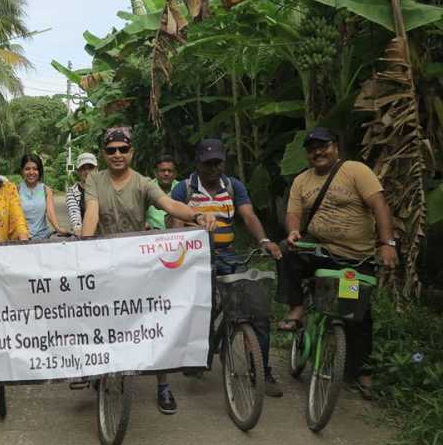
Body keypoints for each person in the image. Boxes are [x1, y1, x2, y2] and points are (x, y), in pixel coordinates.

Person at [81, 126, 217, 415]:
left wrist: (197, 216)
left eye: (123, 149)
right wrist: (83, 247)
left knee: (154, 322)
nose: (117, 154)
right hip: (103, 260)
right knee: (98, 317)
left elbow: (170, 204)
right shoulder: (94, 179)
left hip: (137, 263)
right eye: (111, 150)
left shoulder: (143, 183)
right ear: (104, 154)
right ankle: (96, 368)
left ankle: (163, 385)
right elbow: (91, 213)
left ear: (132, 152)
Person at [276, 127, 398, 399]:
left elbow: (380, 206)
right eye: (312, 149)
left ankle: (361, 371)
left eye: (323, 146)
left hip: (354, 260)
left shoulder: (355, 171)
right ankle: (297, 308)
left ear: (335, 147)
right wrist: (293, 231)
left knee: (355, 315)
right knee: (287, 250)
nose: (318, 152)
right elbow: (293, 213)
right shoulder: (301, 180)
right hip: (319, 252)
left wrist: (387, 244)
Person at [170, 138, 284, 397]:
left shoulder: (233, 186)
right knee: (201, 310)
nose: (214, 168)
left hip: (229, 257)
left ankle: (261, 370)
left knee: (257, 312)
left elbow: (249, 215)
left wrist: (264, 240)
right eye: (208, 163)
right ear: (197, 163)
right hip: (196, 260)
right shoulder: (183, 189)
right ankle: (198, 354)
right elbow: (176, 227)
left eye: (218, 162)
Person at [18, 153, 67, 239]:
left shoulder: (46, 190)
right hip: (22, 238)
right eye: (27, 169)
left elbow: (50, 213)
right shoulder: (16, 190)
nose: (31, 172)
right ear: (22, 171)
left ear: (39, 171)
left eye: (35, 169)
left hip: (43, 238)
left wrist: (58, 228)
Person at [65, 152, 98, 236]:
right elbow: (74, 213)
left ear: (96, 169)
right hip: (84, 234)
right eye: (83, 168)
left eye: (90, 168)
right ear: (78, 171)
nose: (87, 172)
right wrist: (78, 228)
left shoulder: (104, 187)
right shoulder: (72, 191)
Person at [146, 155, 177, 230]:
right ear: (155, 173)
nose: (166, 174)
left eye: (170, 171)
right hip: (151, 233)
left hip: (177, 234)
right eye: (163, 170)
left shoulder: (182, 189)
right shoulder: (146, 188)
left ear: (175, 173)